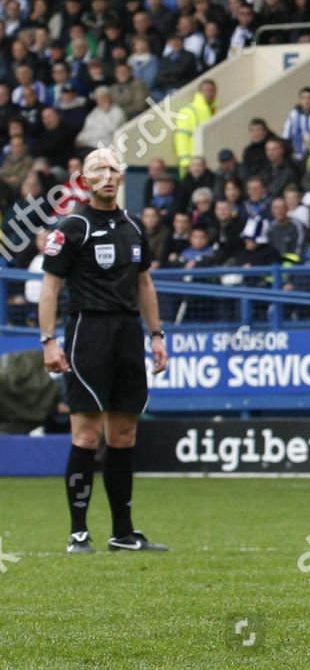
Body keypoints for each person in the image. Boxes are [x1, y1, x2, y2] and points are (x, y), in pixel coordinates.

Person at [39, 148, 169, 554]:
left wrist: (157, 334)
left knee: (124, 434)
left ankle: (123, 533)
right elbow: (50, 287)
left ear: (122, 177)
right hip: (88, 331)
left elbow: (145, 284)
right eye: (98, 169)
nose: (108, 175)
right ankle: (78, 533)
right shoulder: (72, 227)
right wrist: (48, 340)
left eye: (113, 169)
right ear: (84, 179)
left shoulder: (133, 226)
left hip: (128, 333)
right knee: (86, 433)